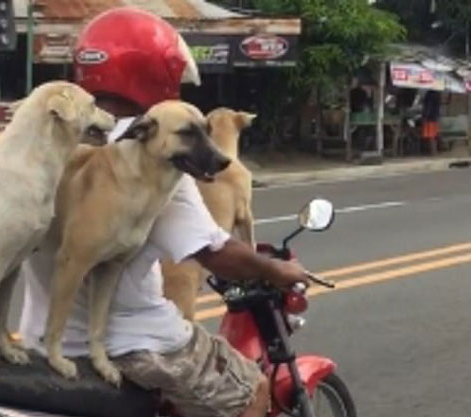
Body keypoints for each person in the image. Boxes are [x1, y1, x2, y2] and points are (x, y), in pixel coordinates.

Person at [17, 7, 309, 417]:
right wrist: (277, 271)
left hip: (38, 341)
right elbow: (215, 254)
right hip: (134, 342)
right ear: (157, 73)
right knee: (253, 391)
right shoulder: (156, 154)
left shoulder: (45, 144)